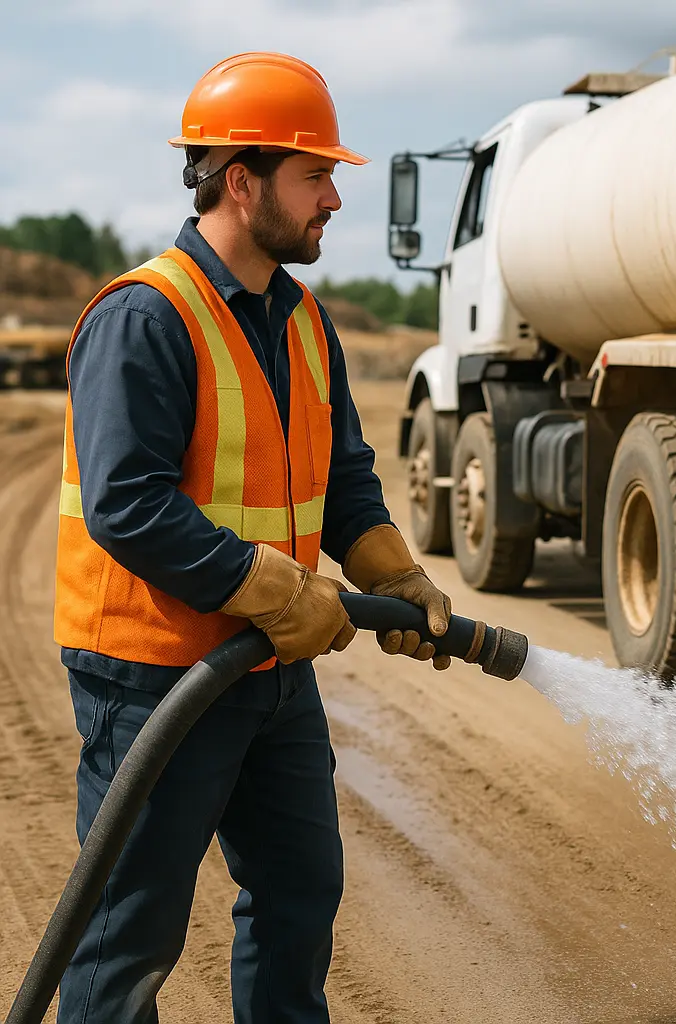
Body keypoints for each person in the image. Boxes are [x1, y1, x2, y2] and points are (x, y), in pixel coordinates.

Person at [54, 51, 452, 1023]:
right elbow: (129, 503)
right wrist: (278, 591)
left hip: (271, 673)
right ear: (243, 179)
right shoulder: (145, 316)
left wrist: (391, 570)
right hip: (153, 675)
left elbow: (344, 480)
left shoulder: (306, 321)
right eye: (316, 176)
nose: (333, 201)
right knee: (127, 938)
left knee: (298, 898)